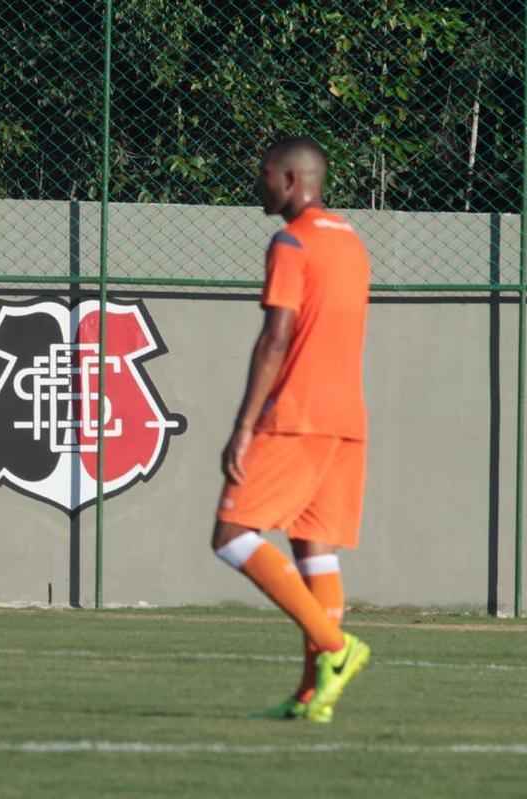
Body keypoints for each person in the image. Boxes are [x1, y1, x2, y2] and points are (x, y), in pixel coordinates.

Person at [211, 137, 371, 722]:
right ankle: (312, 695)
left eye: (264, 173)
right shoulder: (351, 242)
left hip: (297, 417)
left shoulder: (291, 241)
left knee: (231, 535)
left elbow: (276, 337)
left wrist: (243, 425)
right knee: (315, 551)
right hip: (346, 420)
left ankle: (335, 647)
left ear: (288, 180)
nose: (258, 183)